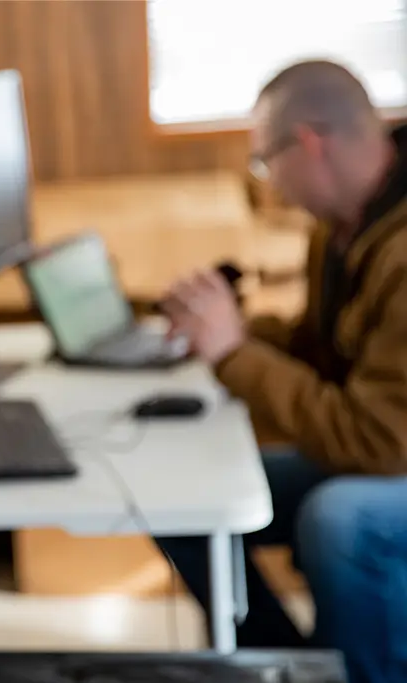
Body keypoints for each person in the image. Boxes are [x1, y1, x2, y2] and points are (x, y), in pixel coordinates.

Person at [157, 60, 407, 683]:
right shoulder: (345, 228)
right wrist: (219, 328)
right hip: (385, 443)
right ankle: (292, 667)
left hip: (391, 454)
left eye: (266, 162)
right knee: (183, 496)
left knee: (339, 518)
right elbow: (325, 351)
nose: (271, 186)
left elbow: (379, 442)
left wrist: (236, 354)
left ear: (311, 143)